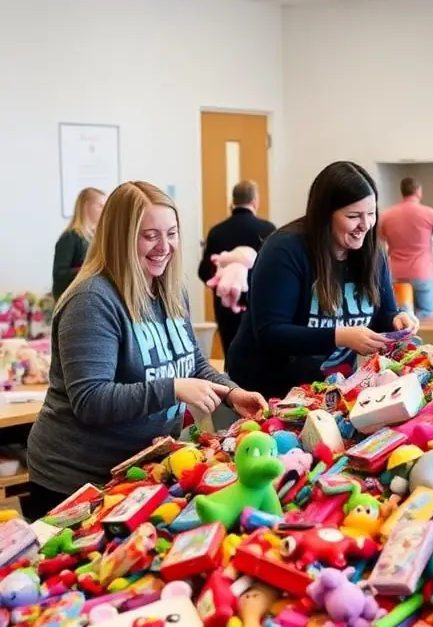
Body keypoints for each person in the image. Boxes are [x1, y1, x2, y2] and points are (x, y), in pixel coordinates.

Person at [27, 182, 267, 519]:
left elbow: (192, 362)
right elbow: (90, 400)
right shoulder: (92, 301)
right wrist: (172, 389)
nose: (165, 246)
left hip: (137, 472)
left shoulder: (168, 287)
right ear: (119, 237)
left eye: (171, 233)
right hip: (76, 481)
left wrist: (232, 393)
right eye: (149, 235)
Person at [227, 161, 418, 399]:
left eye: (371, 214)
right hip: (264, 390)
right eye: (353, 216)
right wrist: (340, 336)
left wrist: (398, 320)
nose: (365, 225)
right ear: (325, 215)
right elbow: (270, 333)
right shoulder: (284, 250)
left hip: (329, 390)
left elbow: (383, 316)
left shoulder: (372, 252)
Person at [197, 180, 276, 353]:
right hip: (258, 306)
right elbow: (274, 273)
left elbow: (204, 272)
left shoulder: (217, 232)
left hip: (226, 308)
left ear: (232, 201)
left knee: (230, 355)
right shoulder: (268, 230)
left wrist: (223, 277)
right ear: (255, 200)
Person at [378, 177, 433, 318]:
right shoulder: (428, 213)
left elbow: (380, 239)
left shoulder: (387, 215)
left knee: (400, 319)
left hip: (396, 273)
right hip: (422, 272)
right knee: (425, 318)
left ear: (402, 192)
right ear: (418, 191)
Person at [53, 187, 105, 300]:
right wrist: (90, 269)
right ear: (86, 206)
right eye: (100, 205)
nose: (104, 210)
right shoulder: (69, 238)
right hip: (73, 299)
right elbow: (59, 275)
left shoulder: (96, 237)